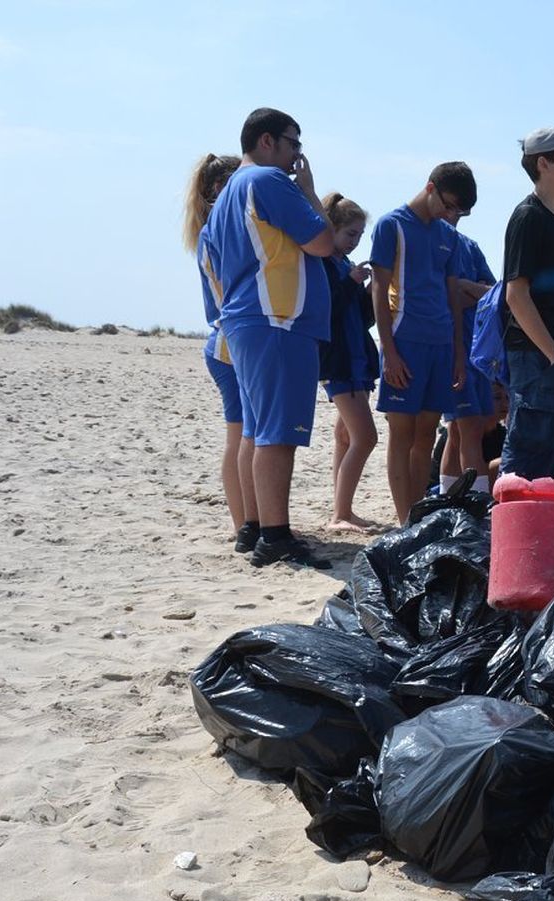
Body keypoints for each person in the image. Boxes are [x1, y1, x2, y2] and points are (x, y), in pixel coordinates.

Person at [200, 108, 337, 569]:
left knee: (255, 431)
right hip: (278, 318)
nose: (297, 154)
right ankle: (275, 536)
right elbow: (322, 242)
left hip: (246, 321)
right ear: (266, 141)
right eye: (294, 143)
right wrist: (309, 191)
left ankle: (254, 527)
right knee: (277, 435)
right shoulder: (267, 180)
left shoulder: (225, 197)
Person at [370, 162, 475, 524]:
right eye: (449, 205)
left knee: (427, 434)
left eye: (459, 211)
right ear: (431, 187)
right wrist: (389, 352)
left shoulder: (449, 235)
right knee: (401, 434)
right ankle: (405, 523)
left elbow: (453, 296)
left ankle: (417, 519)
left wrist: (459, 354)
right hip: (405, 340)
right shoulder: (392, 225)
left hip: (441, 344)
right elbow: (379, 289)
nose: (451, 214)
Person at [491, 128, 554, 478]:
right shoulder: (528, 217)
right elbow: (516, 295)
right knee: (524, 462)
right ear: (543, 163)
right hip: (537, 358)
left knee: (550, 464)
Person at [184, 151, 253, 545]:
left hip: (225, 340)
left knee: (242, 435)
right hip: (229, 344)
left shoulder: (212, 233)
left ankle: (247, 520)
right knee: (241, 436)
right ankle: (244, 522)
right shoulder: (220, 233)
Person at [317, 194, 382, 530]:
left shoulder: (343, 264)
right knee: (365, 437)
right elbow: (325, 310)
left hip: (356, 359)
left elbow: (361, 319)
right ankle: (340, 514)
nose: (354, 242)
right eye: (350, 234)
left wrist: (368, 292)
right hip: (340, 362)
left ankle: (342, 509)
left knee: (345, 436)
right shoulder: (323, 264)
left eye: (359, 235)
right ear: (332, 229)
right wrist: (351, 283)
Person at [441, 223, 497, 494]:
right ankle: (478, 500)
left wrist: (465, 287)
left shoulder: (469, 245)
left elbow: (493, 293)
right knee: (469, 428)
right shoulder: (432, 242)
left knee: (459, 431)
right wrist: (466, 292)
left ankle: (449, 497)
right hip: (452, 349)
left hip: (476, 350)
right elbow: (442, 296)